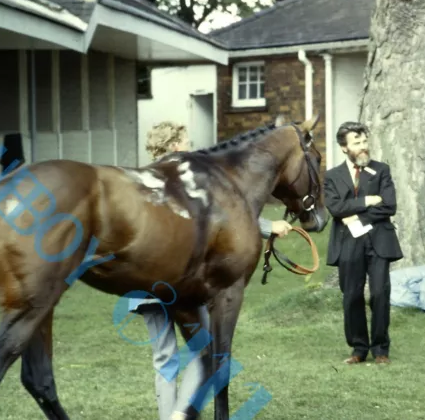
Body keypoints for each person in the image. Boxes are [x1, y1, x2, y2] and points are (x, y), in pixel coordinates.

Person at [130, 122, 293, 419]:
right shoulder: (189, 175)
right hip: (181, 279)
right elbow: (226, 213)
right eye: (187, 139)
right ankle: (181, 414)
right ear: (176, 144)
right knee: (204, 353)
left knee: (163, 358)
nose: (191, 145)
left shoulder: (141, 181)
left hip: (145, 283)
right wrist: (269, 226)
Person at [323, 121, 403, 365]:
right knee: (352, 296)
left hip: (378, 239)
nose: (363, 147)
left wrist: (356, 215)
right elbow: (335, 207)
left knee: (379, 293)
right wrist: (368, 199)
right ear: (344, 148)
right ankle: (359, 349)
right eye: (356, 143)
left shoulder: (381, 170)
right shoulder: (332, 176)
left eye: (364, 141)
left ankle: (381, 349)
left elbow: (389, 206)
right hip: (349, 243)